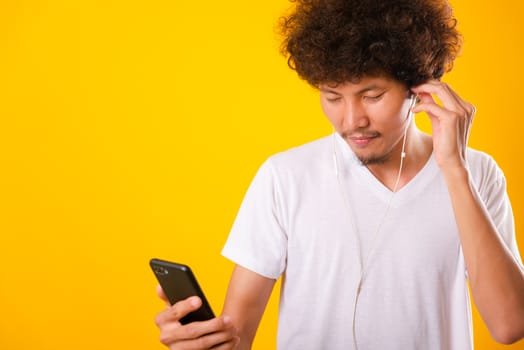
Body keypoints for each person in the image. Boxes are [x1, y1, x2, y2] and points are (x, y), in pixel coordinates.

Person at [154, 0, 524, 348]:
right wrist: (200, 340)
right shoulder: (284, 178)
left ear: (419, 89)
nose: (351, 121)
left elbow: (510, 325)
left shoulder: (477, 174)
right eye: (332, 97)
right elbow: (238, 335)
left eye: (372, 95)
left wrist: (454, 169)